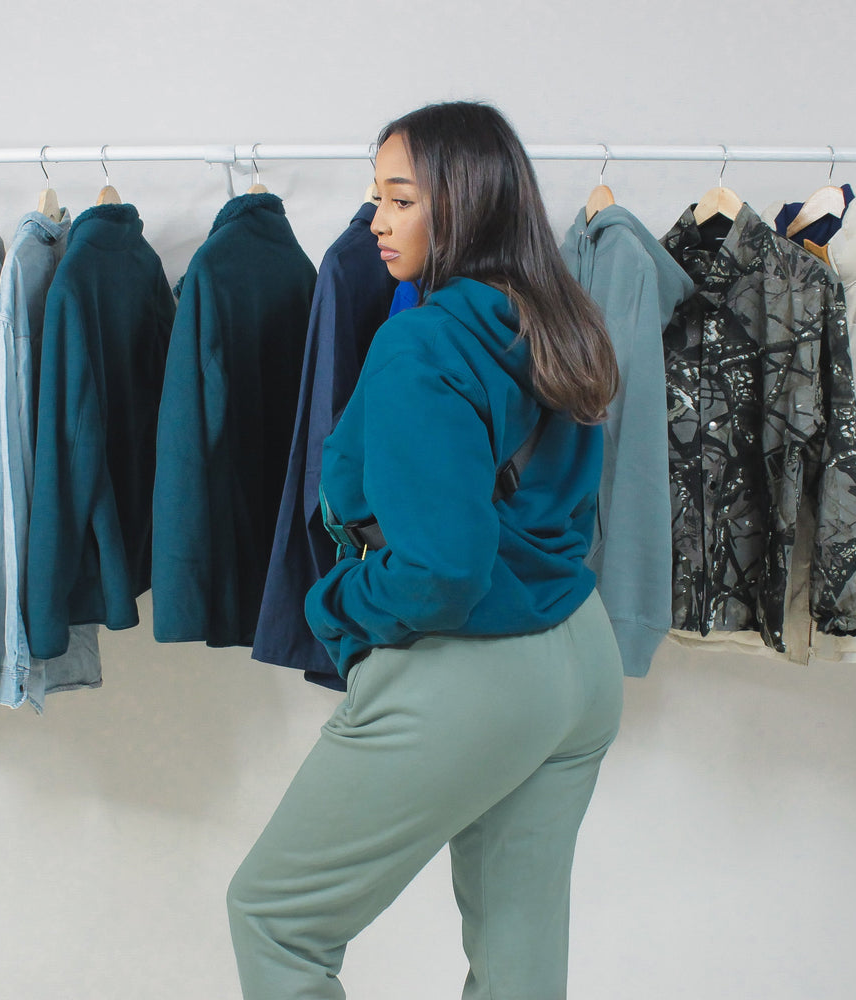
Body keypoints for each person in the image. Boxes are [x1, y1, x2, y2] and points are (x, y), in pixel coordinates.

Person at [228, 101, 624, 1000]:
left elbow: (444, 568)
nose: (377, 220)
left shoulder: (423, 341)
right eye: (378, 197)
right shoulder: (556, 318)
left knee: (275, 919)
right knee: (519, 955)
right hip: (580, 659)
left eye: (400, 199)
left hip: (473, 671)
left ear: (467, 203)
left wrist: (334, 603)